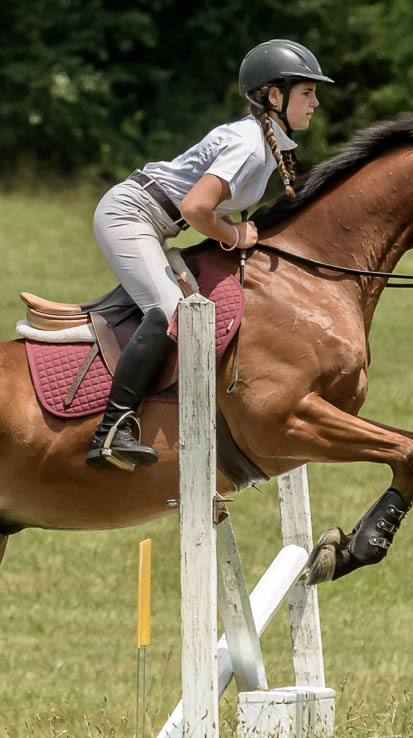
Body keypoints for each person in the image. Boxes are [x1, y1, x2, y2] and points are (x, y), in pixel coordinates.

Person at [86, 39, 333, 471]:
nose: (316, 101)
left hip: (158, 224)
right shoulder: (250, 145)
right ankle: (111, 429)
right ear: (275, 96)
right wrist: (236, 235)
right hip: (131, 215)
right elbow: (196, 209)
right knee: (171, 313)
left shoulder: (263, 141)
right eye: (307, 92)